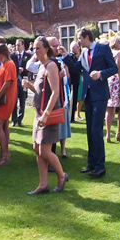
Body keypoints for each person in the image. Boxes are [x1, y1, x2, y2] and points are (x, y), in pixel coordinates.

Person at [22, 37, 68, 195]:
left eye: (38, 48)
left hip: (47, 114)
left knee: (45, 151)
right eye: (34, 48)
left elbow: (55, 92)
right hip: (38, 113)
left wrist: (46, 114)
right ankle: (43, 184)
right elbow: (41, 91)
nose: (35, 51)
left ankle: (62, 176)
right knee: (37, 148)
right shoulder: (41, 66)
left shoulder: (51, 66)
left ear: (47, 49)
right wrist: (30, 86)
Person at [78, 28, 117, 178]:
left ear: (87, 37)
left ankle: (100, 166)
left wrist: (101, 74)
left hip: (100, 95)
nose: (78, 41)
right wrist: (63, 57)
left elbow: (114, 68)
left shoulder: (102, 48)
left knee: (96, 130)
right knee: (89, 131)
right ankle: (91, 164)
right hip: (88, 96)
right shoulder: (83, 53)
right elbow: (77, 68)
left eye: (79, 38)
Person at [0, 44, 18, 167]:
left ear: (1, 53)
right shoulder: (3, 65)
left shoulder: (10, 64)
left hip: (6, 100)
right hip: (2, 100)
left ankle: (5, 155)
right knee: (1, 125)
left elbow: (7, 83)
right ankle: (4, 154)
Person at [105, 36, 120, 143]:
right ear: (117, 44)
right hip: (116, 82)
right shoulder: (118, 54)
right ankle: (119, 133)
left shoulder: (108, 53)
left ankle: (108, 134)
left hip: (108, 81)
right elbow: (119, 71)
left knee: (109, 108)